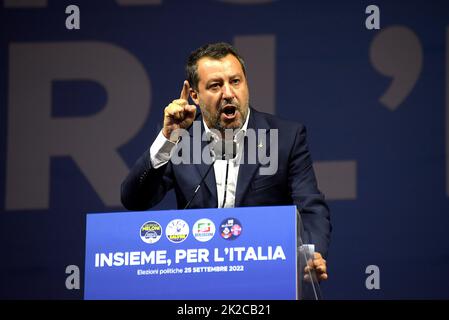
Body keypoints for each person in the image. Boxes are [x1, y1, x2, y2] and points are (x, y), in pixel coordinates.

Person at [121, 42, 331, 281]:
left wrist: (310, 255)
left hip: (265, 275)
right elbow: (133, 199)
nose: (228, 93)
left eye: (235, 81)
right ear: (195, 96)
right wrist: (167, 138)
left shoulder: (285, 137)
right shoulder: (181, 137)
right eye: (215, 85)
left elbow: (311, 207)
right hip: (199, 277)